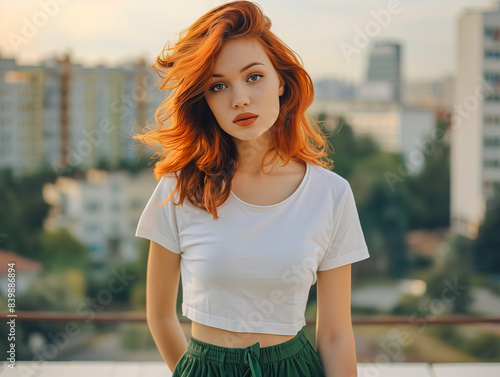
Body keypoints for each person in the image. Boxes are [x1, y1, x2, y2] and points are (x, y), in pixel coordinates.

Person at [134, 1, 370, 376]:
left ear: (281, 82)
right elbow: (160, 316)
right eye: (218, 85)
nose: (239, 97)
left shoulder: (331, 194)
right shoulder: (179, 188)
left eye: (254, 77)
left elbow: (337, 334)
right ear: (205, 101)